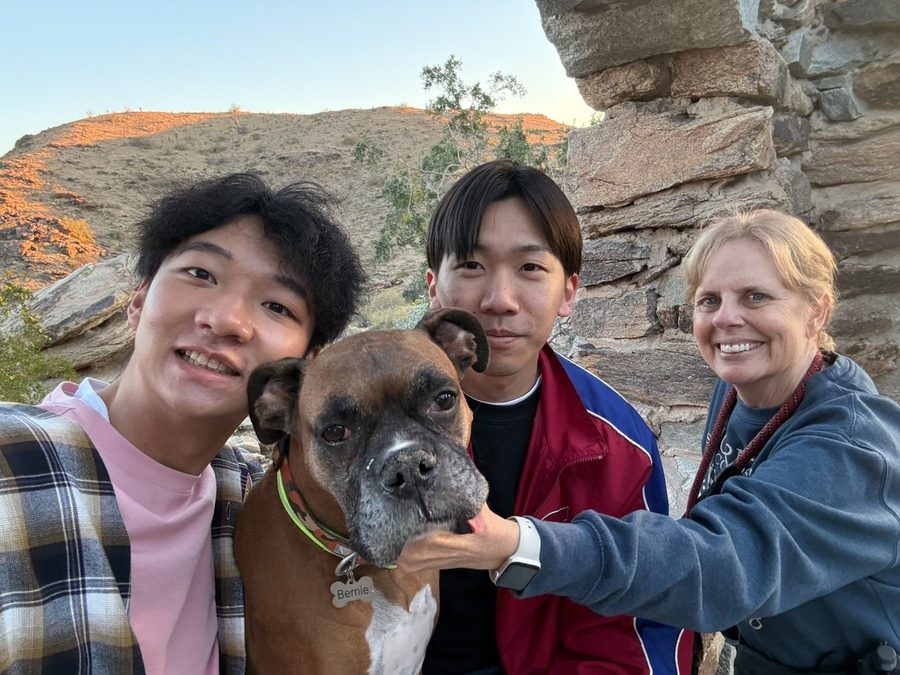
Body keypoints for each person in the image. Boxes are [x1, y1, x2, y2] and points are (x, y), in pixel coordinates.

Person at [401, 208, 900, 674]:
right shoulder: (740, 391)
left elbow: (722, 563)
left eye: (756, 297)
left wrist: (517, 542)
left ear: (817, 312)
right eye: (710, 300)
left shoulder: (855, 446)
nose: (727, 318)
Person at [0, 173, 365, 674]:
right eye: (200, 275)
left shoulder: (251, 500)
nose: (227, 319)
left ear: (309, 368)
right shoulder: (14, 464)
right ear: (138, 300)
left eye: (277, 306)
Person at [417, 159, 692, 674]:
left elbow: (634, 630)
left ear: (568, 292)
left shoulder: (615, 445)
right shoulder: (361, 421)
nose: (499, 300)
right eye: (472, 267)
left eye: (530, 268)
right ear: (434, 285)